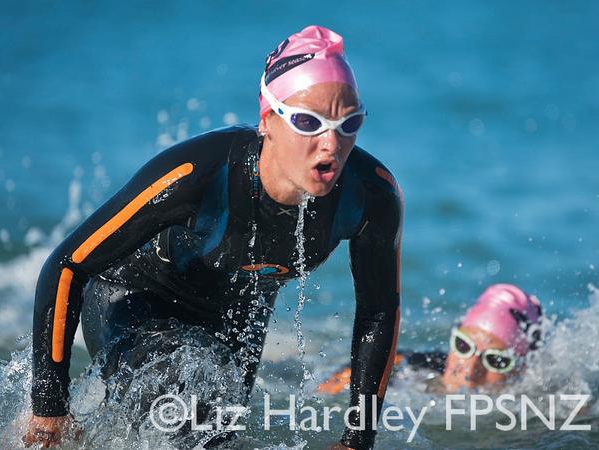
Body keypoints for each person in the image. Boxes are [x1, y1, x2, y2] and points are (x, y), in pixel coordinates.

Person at [23, 25, 403, 450]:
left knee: (218, 440)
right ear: (268, 121)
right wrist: (49, 409)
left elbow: (378, 311)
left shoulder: (371, 195)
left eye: (348, 122)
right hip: (135, 299)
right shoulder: (197, 174)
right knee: (190, 429)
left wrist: (357, 439)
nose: (331, 143)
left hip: (240, 317)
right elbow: (68, 264)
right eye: (308, 122)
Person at [319, 284, 542, 395]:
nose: (470, 368)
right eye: (463, 346)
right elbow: (321, 394)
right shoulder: (406, 367)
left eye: (496, 360)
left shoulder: (536, 406)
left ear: (521, 369)